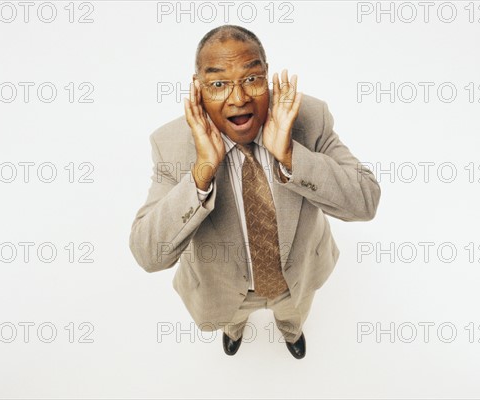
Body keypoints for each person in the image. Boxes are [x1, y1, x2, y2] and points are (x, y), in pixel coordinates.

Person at [129, 25, 381, 359]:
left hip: (297, 278)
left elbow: (365, 201)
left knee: (293, 314)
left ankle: (290, 331)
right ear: (198, 89)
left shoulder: (308, 117)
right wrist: (202, 171)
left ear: (268, 78)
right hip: (226, 289)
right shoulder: (171, 144)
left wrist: (291, 153)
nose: (238, 98)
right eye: (218, 83)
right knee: (232, 318)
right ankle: (234, 328)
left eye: (251, 78)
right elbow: (148, 255)